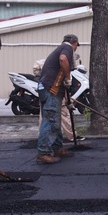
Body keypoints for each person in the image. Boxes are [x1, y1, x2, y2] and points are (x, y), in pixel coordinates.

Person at [36, 34, 80, 164]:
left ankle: (56, 147)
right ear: (75, 43)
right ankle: (43, 153)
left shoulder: (59, 48)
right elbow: (63, 59)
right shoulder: (67, 48)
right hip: (51, 89)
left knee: (55, 119)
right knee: (50, 120)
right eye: (77, 45)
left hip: (47, 88)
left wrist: (68, 100)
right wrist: (68, 78)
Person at [34, 53, 85, 142]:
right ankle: (72, 136)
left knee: (45, 115)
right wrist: (67, 101)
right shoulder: (60, 67)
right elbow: (64, 83)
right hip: (53, 93)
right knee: (64, 114)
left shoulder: (50, 64)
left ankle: (43, 137)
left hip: (46, 91)